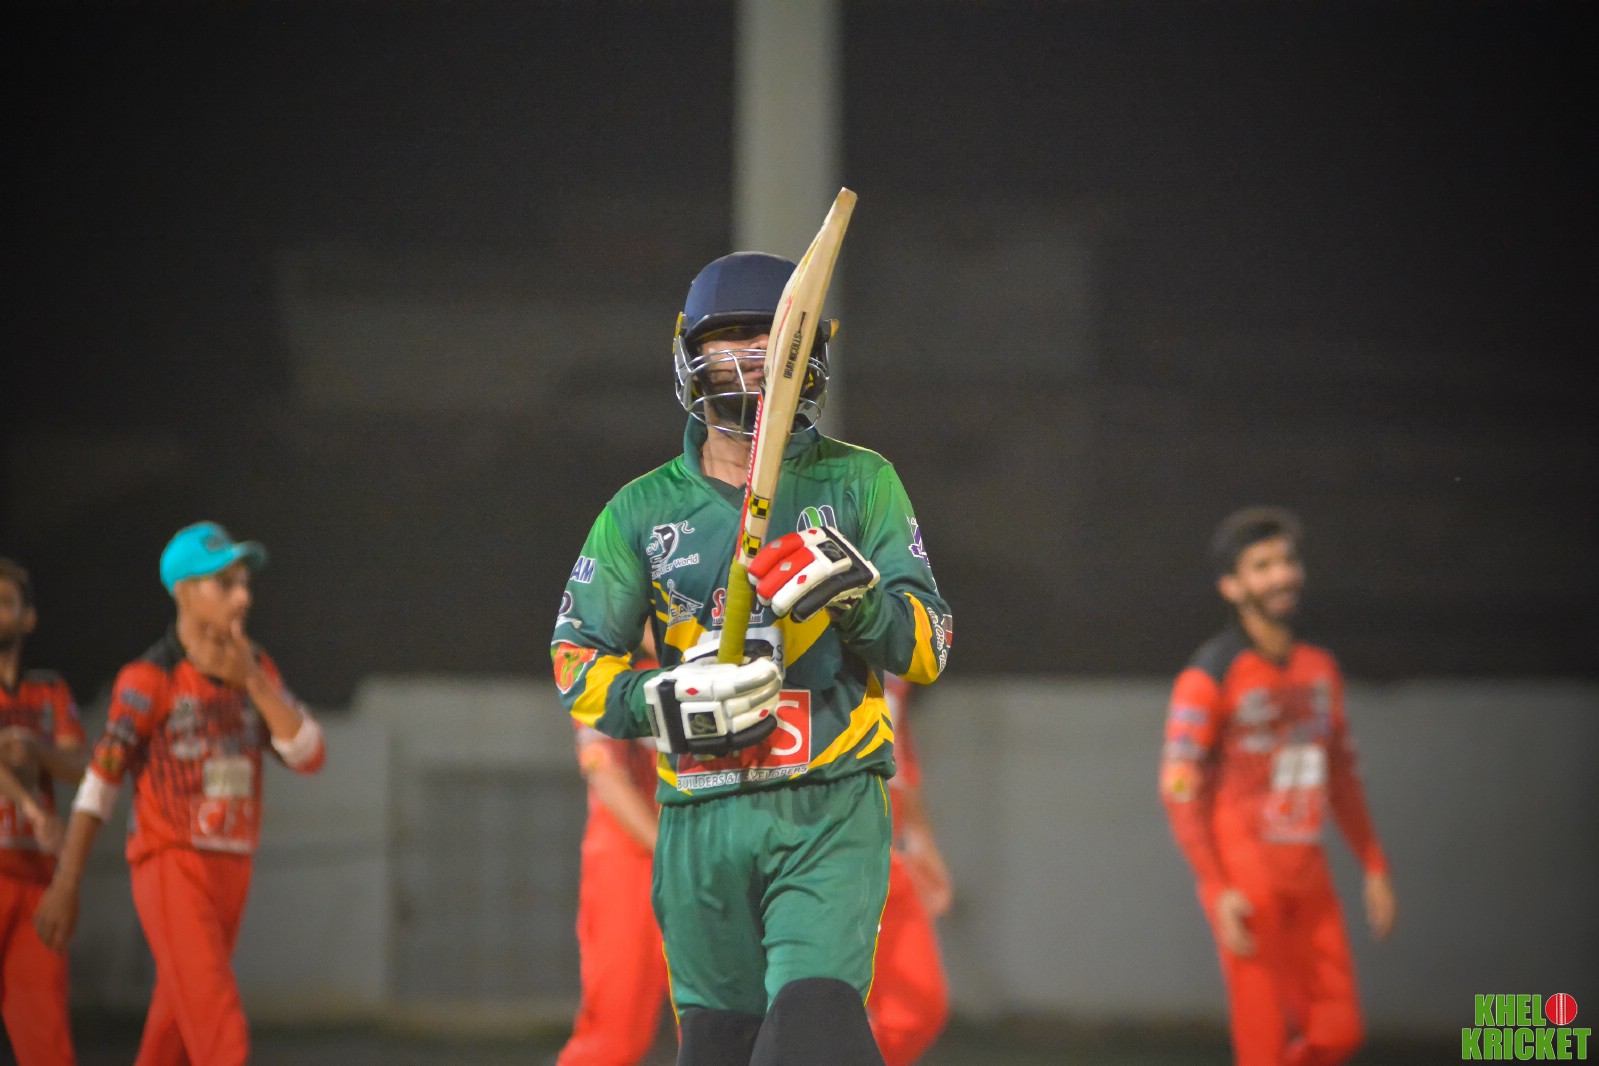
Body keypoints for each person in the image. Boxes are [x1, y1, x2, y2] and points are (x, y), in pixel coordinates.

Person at [551, 250, 952, 1066]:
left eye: (777, 340)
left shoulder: (862, 483)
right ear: (689, 357)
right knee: (717, 1050)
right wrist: (659, 702)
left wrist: (856, 599)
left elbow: (928, 647)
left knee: (813, 1031)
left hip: (828, 804)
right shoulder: (640, 512)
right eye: (732, 339)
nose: (757, 359)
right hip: (699, 814)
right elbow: (575, 660)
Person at [33, 522, 326, 1066]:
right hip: (171, 863)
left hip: (232, 867)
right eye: (225, 583)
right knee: (220, 1032)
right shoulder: (151, 678)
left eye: (244, 583)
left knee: (171, 1035)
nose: (243, 597)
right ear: (186, 592)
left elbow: (310, 754)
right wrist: (67, 881)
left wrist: (254, 682)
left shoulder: (256, 668)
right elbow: (101, 782)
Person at [1159, 506, 1396, 1066]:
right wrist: (1216, 887)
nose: (1281, 575)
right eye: (1262, 566)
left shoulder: (1319, 668)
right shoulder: (1209, 674)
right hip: (1248, 878)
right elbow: (1179, 787)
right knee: (1262, 1044)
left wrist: (1374, 864)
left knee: (1339, 1032)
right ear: (1231, 586)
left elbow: (1341, 772)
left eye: (1286, 561)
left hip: (1309, 874)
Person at [556, 630, 669, 1066]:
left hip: (707, 854)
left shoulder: (734, 661)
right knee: (614, 1035)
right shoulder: (604, 667)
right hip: (633, 858)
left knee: (726, 1026)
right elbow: (606, 774)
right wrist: (673, 852)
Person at [0, 558, 87, 1066]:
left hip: (35, 880)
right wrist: (34, 806)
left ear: (27, 617)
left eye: (4, 603)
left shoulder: (49, 690)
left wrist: (36, 749)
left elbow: (81, 766)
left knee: (47, 1041)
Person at [866, 674, 952, 1066]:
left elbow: (894, 733)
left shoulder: (899, 647)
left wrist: (918, 833)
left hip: (880, 850)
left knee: (915, 1010)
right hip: (810, 846)